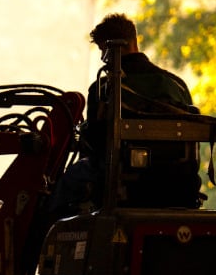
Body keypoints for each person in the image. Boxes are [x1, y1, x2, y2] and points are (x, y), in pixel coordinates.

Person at [51, 13, 200, 215]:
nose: (103, 59)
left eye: (103, 51)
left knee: (69, 180)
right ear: (134, 41)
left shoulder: (105, 88)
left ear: (109, 49)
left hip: (122, 184)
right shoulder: (176, 85)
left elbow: (95, 143)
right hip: (178, 185)